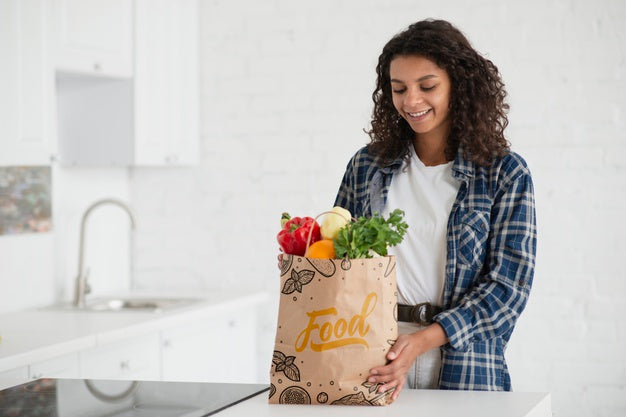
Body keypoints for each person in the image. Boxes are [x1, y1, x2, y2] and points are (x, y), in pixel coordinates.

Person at [333, 19, 536, 399]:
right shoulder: (366, 166)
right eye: (399, 89)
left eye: (427, 86)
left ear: (460, 85)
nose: (411, 101)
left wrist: (424, 340)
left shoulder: (504, 173)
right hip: (373, 355)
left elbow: (508, 288)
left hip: (465, 360)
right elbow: (340, 258)